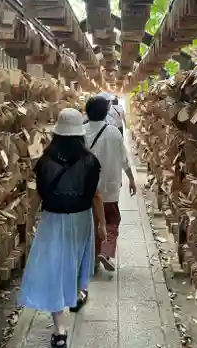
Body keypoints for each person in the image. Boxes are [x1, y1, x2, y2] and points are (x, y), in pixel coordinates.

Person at [19, 109, 106, 348]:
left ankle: (60, 330)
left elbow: (36, 196)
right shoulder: (90, 161)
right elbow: (97, 196)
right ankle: (75, 296)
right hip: (81, 219)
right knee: (74, 263)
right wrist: (102, 226)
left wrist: (29, 223)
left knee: (54, 268)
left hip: (52, 220)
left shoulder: (45, 161)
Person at [84, 96, 136, 272]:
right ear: (106, 112)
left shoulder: (81, 132)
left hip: (87, 188)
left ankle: (92, 257)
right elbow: (124, 159)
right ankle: (105, 252)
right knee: (111, 220)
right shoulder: (114, 132)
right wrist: (131, 179)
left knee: (93, 221)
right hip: (110, 186)